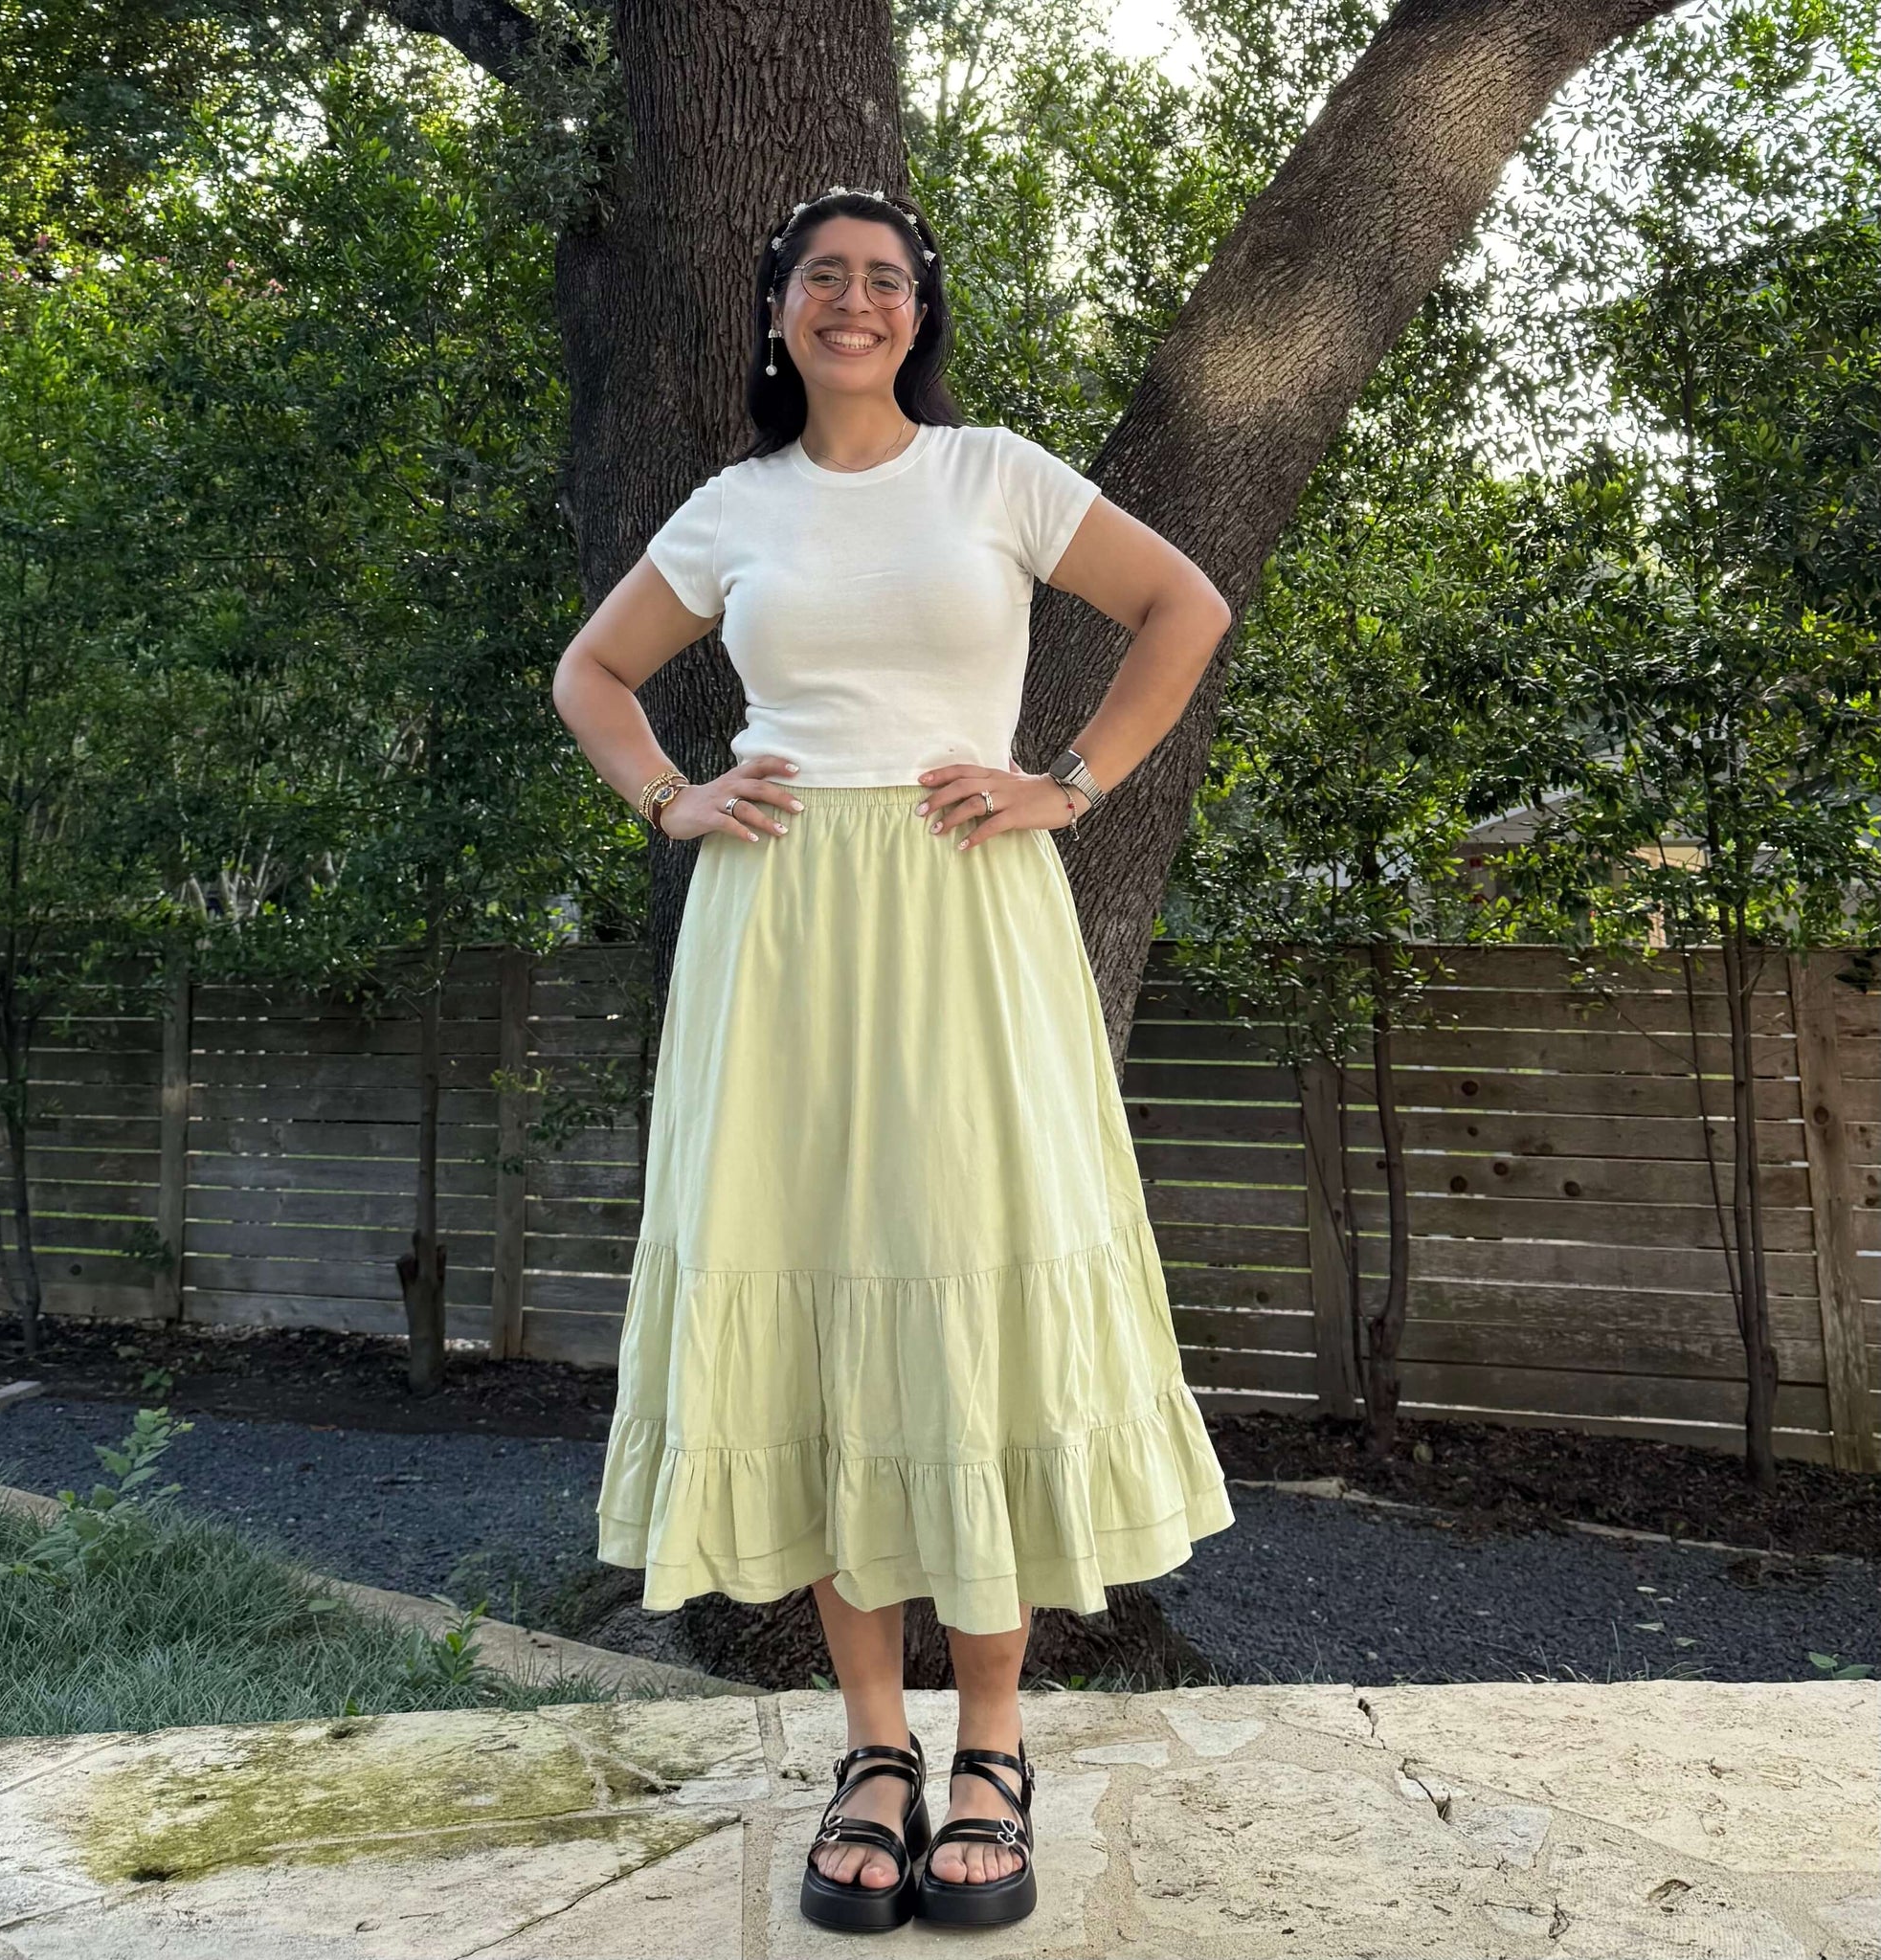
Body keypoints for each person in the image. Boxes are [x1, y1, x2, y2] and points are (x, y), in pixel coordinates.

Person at [551, 183, 1236, 1934]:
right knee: (819, 1294)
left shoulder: (995, 475)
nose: (853, 301)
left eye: (885, 279)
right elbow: (594, 676)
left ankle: (992, 1746)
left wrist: (1064, 784)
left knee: (964, 1287)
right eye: (822, 277)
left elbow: (1185, 609)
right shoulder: (733, 507)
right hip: (778, 934)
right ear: (776, 309)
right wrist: (674, 800)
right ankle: (873, 1748)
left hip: (964, 917)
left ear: (918, 313)